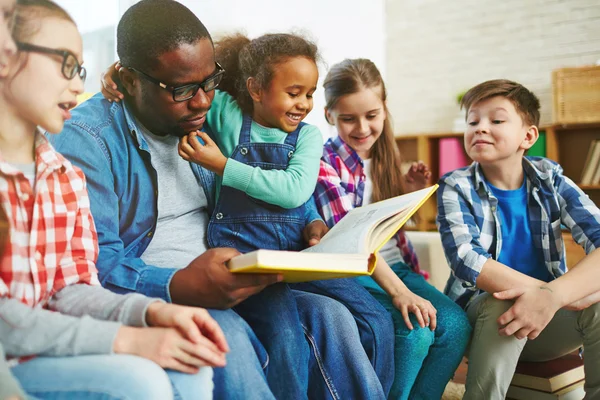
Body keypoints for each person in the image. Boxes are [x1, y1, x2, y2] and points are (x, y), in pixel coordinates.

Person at [52, 1, 394, 398]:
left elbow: (273, 169)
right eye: (181, 89)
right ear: (128, 80)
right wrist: (178, 284)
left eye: (209, 82)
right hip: (166, 287)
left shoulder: (205, 118)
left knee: (332, 318)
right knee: (225, 337)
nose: (201, 101)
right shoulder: (89, 139)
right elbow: (93, 263)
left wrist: (310, 217)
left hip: (240, 270)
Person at [0, 0, 231, 399]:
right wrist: (126, 338)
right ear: (5, 58)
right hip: (18, 355)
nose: (77, 85)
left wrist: (152, 312)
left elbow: (69, 289)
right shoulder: (83, 144)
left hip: (47, 347)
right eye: (65, 64)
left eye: (81, 69)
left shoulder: (62, 177)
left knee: (191, 367)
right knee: (141, 380)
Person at [314, 58, 472, 400]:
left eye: (371, 116)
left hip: (395, 265)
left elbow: (384, 219)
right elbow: (355, 241)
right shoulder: (324, 164)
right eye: (348, 119)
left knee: (455, 326)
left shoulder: (384, 156)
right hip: (356, 271)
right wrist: (401, 292)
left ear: (384, 109)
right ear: (329, 116)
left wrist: (406, 188)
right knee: (415, 333)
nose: (362, 128)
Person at [436, 79, 600, 399]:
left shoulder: (549, 178)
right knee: (501, 300)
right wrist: (550, 294)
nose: (480, 128)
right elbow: (468, 260)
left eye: (496, 120)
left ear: (528, 136)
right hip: (485, 323)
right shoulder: (456, 185)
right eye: (473, 121)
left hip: (546, 323)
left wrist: (552, 297)